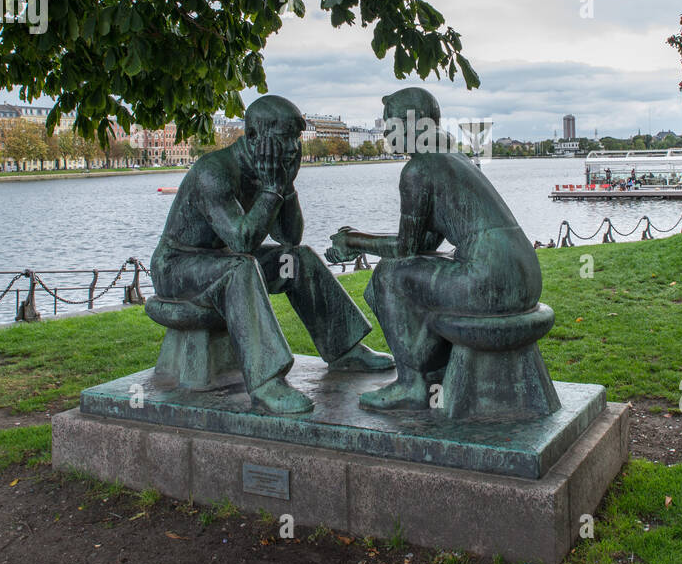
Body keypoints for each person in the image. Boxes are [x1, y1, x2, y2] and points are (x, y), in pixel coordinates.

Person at [150, 95, 393, 414]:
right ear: (253, 137)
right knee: (241, 266)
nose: (293, 148)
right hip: (177, 268)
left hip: (222, 259)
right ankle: (267, 383)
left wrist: (286, 186)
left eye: (296, 138)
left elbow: (290, 238)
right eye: (284, 139)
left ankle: (344, 350)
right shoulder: (214, 171)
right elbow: (242, 242)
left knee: (299, 260)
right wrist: (273, 189)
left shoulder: (268, 172)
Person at [326, 88, 543, 411]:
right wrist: (362, 237)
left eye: (389, 124)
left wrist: (353, 241)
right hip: (523, 279)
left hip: (489, 281)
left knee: (388, 277)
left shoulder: (418, 171)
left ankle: (412, 383)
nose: (385, 132)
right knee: (400, 274)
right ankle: (432, 368)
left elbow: (405, 247)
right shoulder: (453, 159)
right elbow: (423, 244)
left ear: (410, 124)